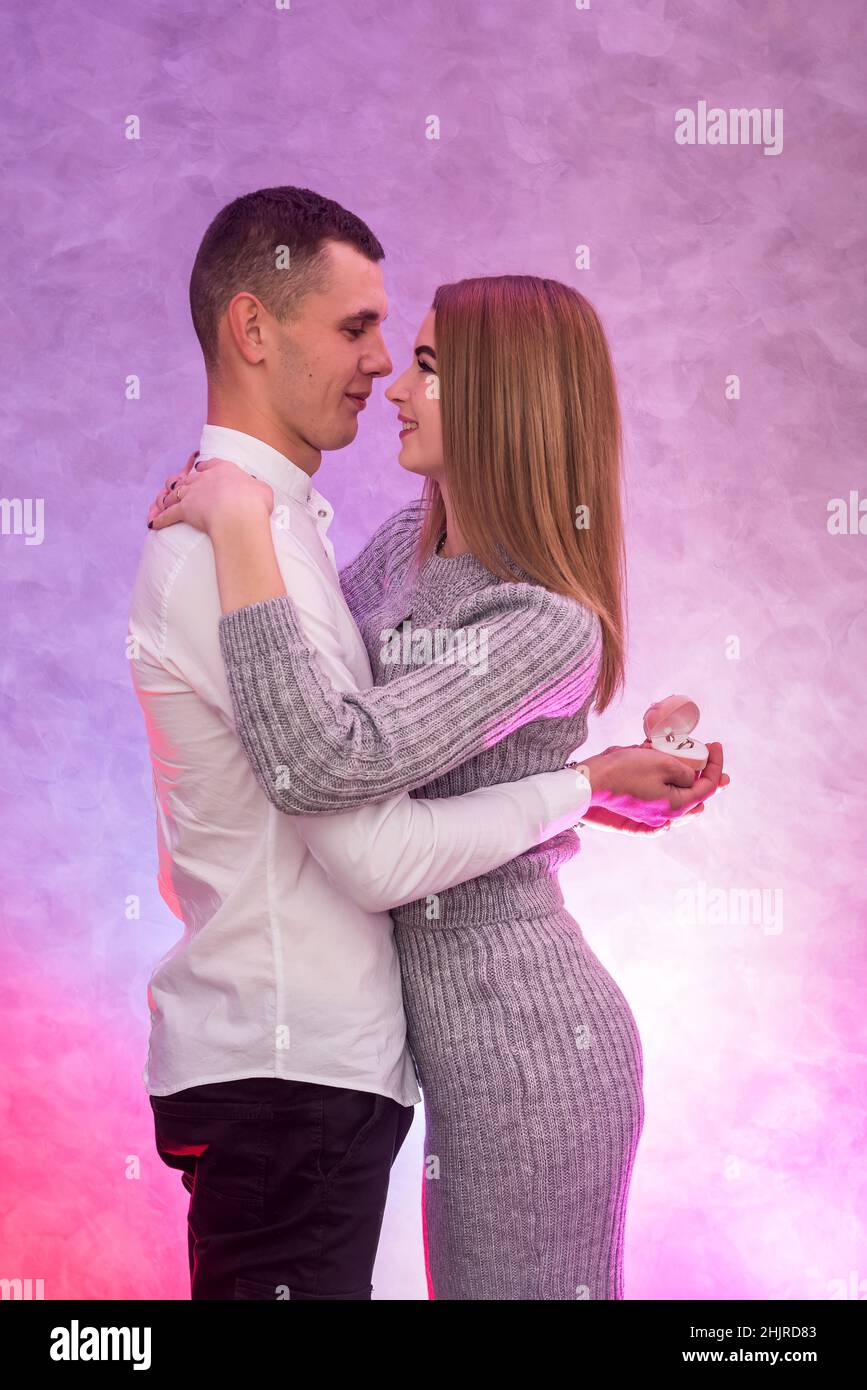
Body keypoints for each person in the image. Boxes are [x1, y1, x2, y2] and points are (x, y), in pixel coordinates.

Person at [148, 259, 729, 1299]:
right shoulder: (401, 555)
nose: (397, 388)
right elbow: (340, 712)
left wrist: (241, 529)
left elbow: (333, 756)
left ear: (504, 401)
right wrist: (596, 780)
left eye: (428, 365)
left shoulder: (540, 619)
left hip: (529, 1046)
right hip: (439, 1045)